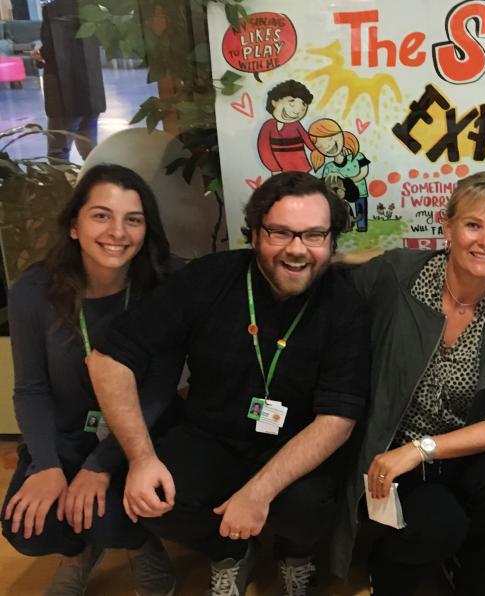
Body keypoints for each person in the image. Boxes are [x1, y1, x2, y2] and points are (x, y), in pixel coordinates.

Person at [86, 172, 371, 596]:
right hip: (211, 435)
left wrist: (258, 492)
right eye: (280, 232)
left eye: (314, 235)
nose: (297, 249)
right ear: (254, 234)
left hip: (296, 444)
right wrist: (142, 458)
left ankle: (295, 554)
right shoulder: (208, 278)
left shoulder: (344, 303)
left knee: (308, 507)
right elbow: (106, 360)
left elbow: (338, 421)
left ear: (331, 240)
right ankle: (229, 551)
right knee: (151, 497)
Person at [332, 171, 485, 596]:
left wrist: (422, 449)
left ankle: (472, 575)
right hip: (395, 453)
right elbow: (332, 301)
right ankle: (387, 567)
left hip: (460, 451)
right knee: (438, 527)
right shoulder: (398, 276)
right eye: (473, 225)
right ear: (447, 228)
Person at [2, 164, 179, 596]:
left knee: (110, 517)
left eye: (132, 219)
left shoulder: (164, 286)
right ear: (75, 226)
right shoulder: (32, 291)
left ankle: (141, 547)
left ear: (145, 230)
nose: (117, 231)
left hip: (139, 433)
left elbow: (159, 389)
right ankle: (78, 552)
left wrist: (99, 466)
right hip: (66, 432)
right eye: (101, 215)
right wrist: (45, 466)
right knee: (28, 525)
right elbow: (31, 388)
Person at [34, 0, 106, 163]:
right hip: (91, 90)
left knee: (58, 154)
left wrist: (40, 54)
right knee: (91, 152)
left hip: (64, 95)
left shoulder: (52, 10)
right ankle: (95, 185)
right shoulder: (92, 8)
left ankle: (64, 189)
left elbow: (53, 50)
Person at [308, 118, 371, 232]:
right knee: (343, 211)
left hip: (360, 191)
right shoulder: (329, 167)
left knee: (360, 208)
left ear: (341, 135)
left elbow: (364, 172)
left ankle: (362, 226)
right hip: (340, 197)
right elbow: (326, 185)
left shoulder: (358, 156)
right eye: (321, 146)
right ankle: (345, 226)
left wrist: (345, 179)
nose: (327, 146)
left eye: (331, 138)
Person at [257, 80, 315, 174]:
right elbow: (264, 149)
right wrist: (274, 168)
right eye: (291, 102)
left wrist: (318, 150)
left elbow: (307, 139)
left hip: (301, 167)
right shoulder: (268, 126)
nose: (297, 111)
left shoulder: (296, 125)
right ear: (274, 102)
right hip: (280, 171)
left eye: (303, 105)